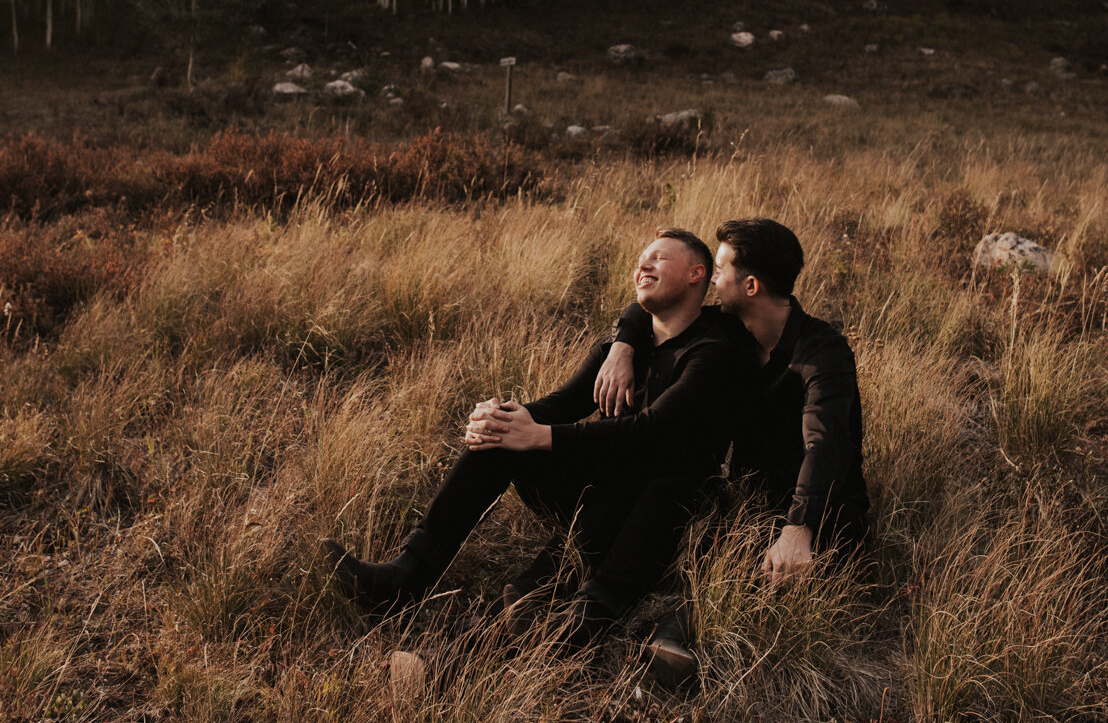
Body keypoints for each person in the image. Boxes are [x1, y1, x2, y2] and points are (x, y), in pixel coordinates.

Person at [321, 227, 748, 644]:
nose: (643, 263)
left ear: (696, 274)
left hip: (657, 514)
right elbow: (560, 404)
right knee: (500, 436)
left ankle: (496, 635)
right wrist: (505, 416)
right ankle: (406, 576)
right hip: (597, 492)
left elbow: (652, 433)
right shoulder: (617, 349)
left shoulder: (711, 352)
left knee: (547, 567)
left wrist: (542, 437)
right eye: (642, 257)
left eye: (659, 256)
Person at [595, 216, 869, 686]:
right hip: (746, 495)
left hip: (822, 511)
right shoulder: (730, 329)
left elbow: (825, 444)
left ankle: (669, 643)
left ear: (751, 284)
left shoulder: (822, 353)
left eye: (720, 270)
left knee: (744, 565)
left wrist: (798, 529)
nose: (713, 279)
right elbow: (656, 307)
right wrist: (622, 345)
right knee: (667, 497)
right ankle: (588, 609)